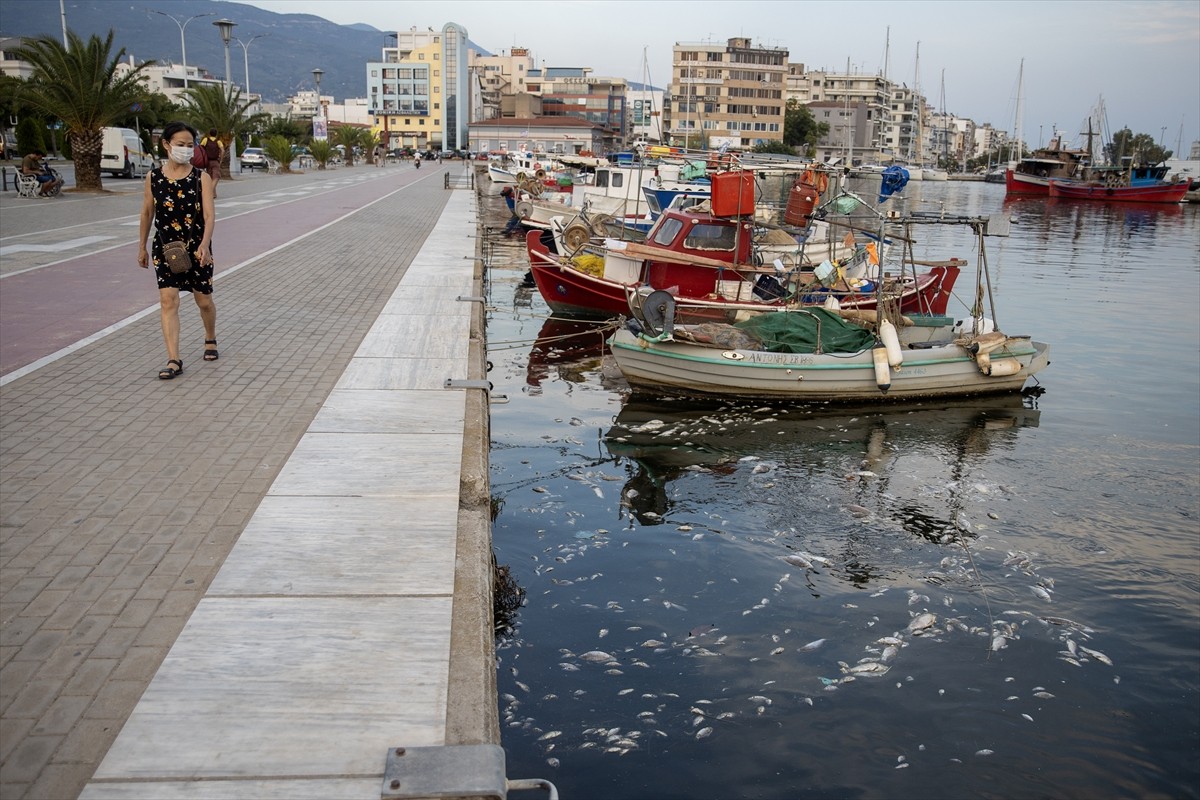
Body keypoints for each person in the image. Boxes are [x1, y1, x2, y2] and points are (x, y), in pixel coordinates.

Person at [137, 121, 217, 380]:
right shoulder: (154, 178)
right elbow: (147, 212)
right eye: (180, 145)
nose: (185, 149)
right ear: (166, 145)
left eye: (189, 145)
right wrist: (141, 246)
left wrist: (205, 244)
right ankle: (174, 359)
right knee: (168, 300)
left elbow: (209, 214)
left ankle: (210, 337)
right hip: (165, 248)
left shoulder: (200, 178)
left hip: (196, 247)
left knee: (203, 300)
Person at [199, 129, 223, 196]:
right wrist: (221, 158)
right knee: (216, 176)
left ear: (209, 133)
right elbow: (222, 150)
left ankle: (214, 194)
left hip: (207, 161)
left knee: (210, 177)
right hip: (215, 161)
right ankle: (210, 191)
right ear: (216, 134)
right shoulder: (218, 141)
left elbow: (200, 148)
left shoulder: (205, 140)